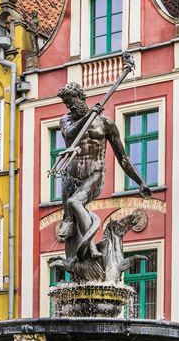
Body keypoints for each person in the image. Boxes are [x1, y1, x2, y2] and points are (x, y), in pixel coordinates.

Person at [55, 82, 151, 265]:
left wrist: (140, 182)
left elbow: (123, 158)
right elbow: (70, 135)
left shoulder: (106, 124)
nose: (69, 107)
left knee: (75, 202)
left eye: (71, 101)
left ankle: (89, 244)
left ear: (81, 97)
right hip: (71, 177)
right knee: (70, 224)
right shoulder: (66, 121)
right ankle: (75, 257)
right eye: (66, 104)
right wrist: (89, 117)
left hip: (94, 175)